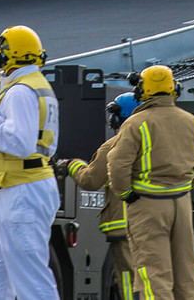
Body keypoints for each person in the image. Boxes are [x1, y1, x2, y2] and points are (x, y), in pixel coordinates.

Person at [108, 65, 194, 300]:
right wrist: (186, 186)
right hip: (181, 204)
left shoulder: (136, 123)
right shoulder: (193, 122)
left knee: (154, 274)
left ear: (142, 92)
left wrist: (125, 193)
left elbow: (117, 166)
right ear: (173, 89)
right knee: (186, 273)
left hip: (147, 205)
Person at [0, 25, 61, 300]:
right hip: (14, 187)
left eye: (2, 49)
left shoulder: (20, 91)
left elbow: (21, 143)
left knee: (29, 278)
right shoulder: (32, 86)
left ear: (15, 54)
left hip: (22, 190)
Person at [61, 92, 140, 300]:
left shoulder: (114, 145)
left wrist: (72, 165)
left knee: (127, 278)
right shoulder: (157, 145)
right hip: (154, 222)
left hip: (123, 225)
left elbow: (91, 181)